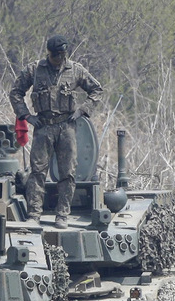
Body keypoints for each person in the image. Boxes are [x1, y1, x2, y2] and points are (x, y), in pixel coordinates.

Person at [10, 35, 104, 228]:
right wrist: (26, 116)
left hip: (66, 126)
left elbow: (96, 90)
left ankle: (63, 214)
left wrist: (83, 110)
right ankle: (34, 214)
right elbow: (16, 92)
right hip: (43, 126)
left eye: (61, 55)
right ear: (49, 54)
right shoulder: (35, 69)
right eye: (55, 55)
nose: (58, 59)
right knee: (37, 172)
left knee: (68, 172)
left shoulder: (75, 70)